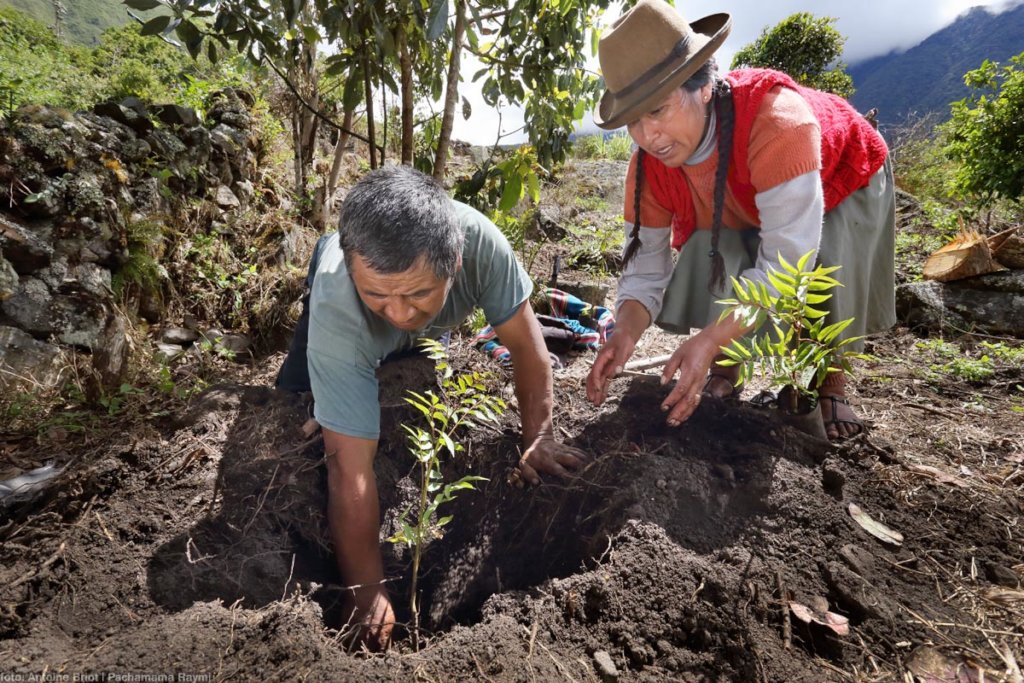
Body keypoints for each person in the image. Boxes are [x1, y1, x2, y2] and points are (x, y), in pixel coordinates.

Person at [275, 165, 588, 649]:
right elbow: (349, 472)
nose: (400, 312)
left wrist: (539, 435)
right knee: (301, 403)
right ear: (356, 269)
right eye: (378, 293)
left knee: (411, 362)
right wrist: (367, 590)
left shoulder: (483, 247)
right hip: (334, 302)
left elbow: (528, 350)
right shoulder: (340, 296)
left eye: (418, 293)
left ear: (455, 263)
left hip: (421, 308)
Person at [585, 0, 895, 441]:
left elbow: (790, 265)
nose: (647, 136)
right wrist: (624, 334)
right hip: (742, 196)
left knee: (824, 258)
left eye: (657, 110)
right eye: (632, 120)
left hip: (840, 174)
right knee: (720, 246)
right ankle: (731, 367)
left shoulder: (779, 124)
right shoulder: (649, 167)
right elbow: (644, 269)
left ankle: (829, 381)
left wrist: (708, 340)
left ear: (703, 87)